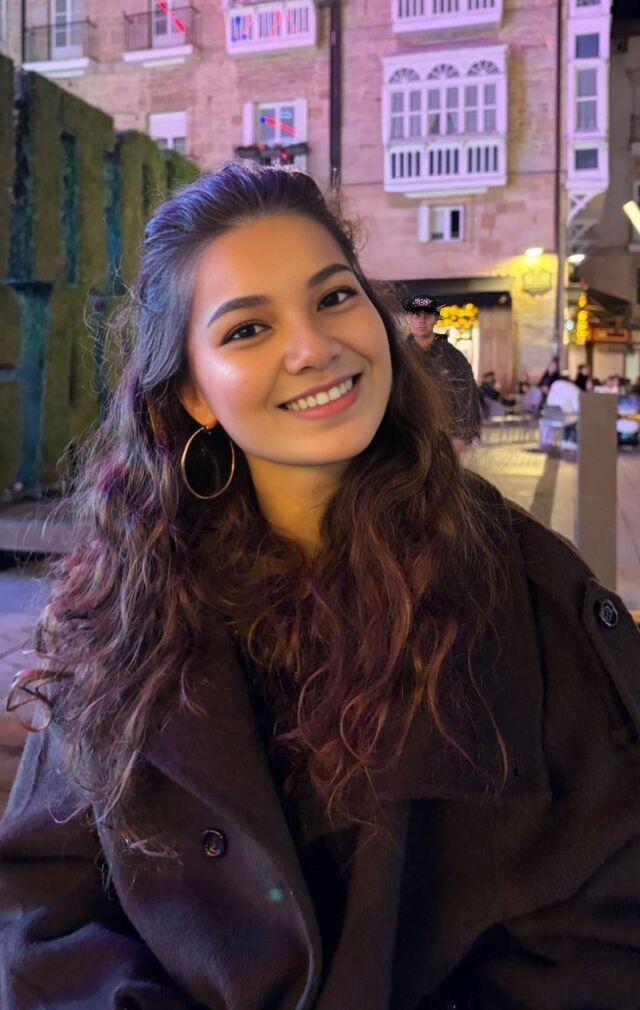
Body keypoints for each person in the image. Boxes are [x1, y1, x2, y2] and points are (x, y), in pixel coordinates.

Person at [2, 162, 640, 1009]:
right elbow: (46, 898)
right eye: (247, 330)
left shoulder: (523, 589)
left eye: (335, 297)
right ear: (193, 393)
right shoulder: (123, 606)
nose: (312, 347)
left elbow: (606, 923)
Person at [403, 294, 481, 447]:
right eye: (416, 314)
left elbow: (467, 396)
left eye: (427, 314)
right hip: (405, 436)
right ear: (408, 319)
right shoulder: (397, 355)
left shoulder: (453, 357)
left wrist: (460, 435)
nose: (422, 320)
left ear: (436, 318)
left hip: (443, 437)